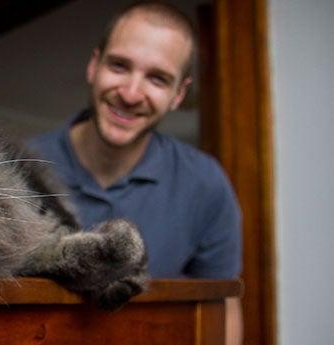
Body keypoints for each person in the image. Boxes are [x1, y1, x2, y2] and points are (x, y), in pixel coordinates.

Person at [28, 2, 243, 344]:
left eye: (158, 79)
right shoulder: (19, 167)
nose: (130, 94)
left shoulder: (207, 184)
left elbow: (222, 302)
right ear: (94, 65)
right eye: (119, 66)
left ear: (178, 95)